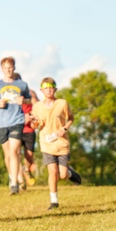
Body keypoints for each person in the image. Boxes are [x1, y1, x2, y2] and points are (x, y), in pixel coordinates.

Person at [29, 77, 82, 210]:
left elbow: (71, 118)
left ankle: (71, 174)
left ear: (55, 89)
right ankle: (54, 201)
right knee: (52, 171)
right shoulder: (37, 107)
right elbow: (34, 126)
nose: (49, 90)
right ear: (41, 90)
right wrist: (33, 121)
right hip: (46, 143)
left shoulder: (62, 103)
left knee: (62, 175)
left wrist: (63, 129)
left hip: (62, 143)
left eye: (51, 87)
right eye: (46, 87)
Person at [0, 57, 31, 195]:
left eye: (10, 67)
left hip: (17, 120)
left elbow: (29, 99)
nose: (8, 70)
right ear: (2, 69)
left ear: (14, 67)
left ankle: (14, 185)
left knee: (15, 152)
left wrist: (23, 100)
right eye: (6, 67)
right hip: (1, 122)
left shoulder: (22, 84)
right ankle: (13, 176)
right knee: (7, 154)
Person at [13, 72, 39, 190]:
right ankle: (19, 180)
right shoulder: (9, 96)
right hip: (14, 128)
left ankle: (26, 170)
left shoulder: (30, 93)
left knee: (29, 156)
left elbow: (39, 106)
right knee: (15, 154)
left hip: (28, 129)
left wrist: (30, 114)